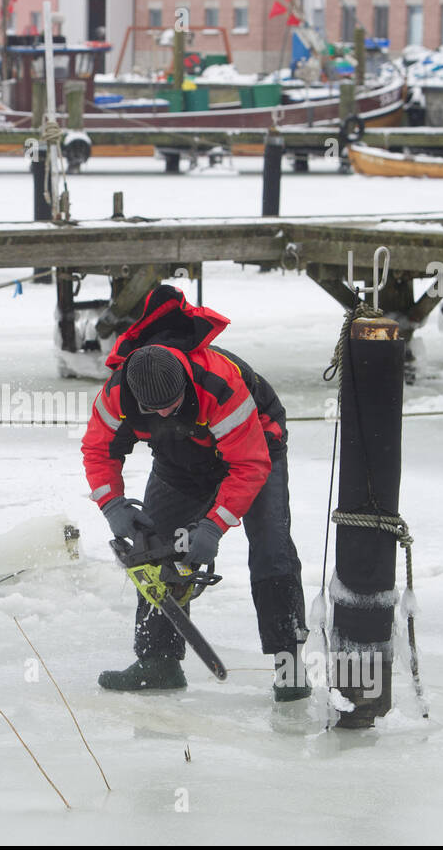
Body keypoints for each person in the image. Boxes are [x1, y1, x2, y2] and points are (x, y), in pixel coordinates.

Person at [81, 284, 309, 698]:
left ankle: (289, 667)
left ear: (185, 382)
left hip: (256, 450)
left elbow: (249, 465)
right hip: (179, 461)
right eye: (154, 409)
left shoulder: (218, 385)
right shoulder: (116, 395)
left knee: (272, 550)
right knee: (155, 551)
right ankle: (158, 662)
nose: (164, 411)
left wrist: (214, 526)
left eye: (172, 403)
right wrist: (111, 502)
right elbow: (98, 451)